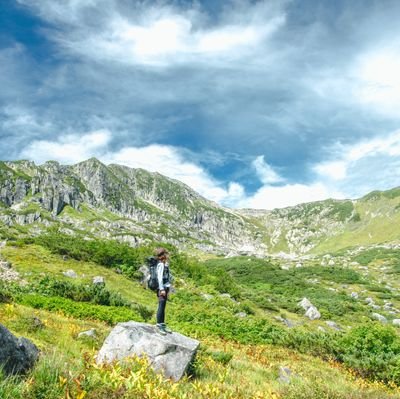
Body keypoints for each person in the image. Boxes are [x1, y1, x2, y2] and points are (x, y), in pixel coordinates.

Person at [155, 247, 172, 335]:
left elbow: (167, 276)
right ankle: (159, 325)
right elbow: (159, 278)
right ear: (163, 255)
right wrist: (161, 289)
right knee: (161, 306)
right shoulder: (160, 264)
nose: (168, 255)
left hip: (165, 287)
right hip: (162, 289)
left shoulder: (164, 264)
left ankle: (162, 324)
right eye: (166, 253)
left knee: (163, 305)